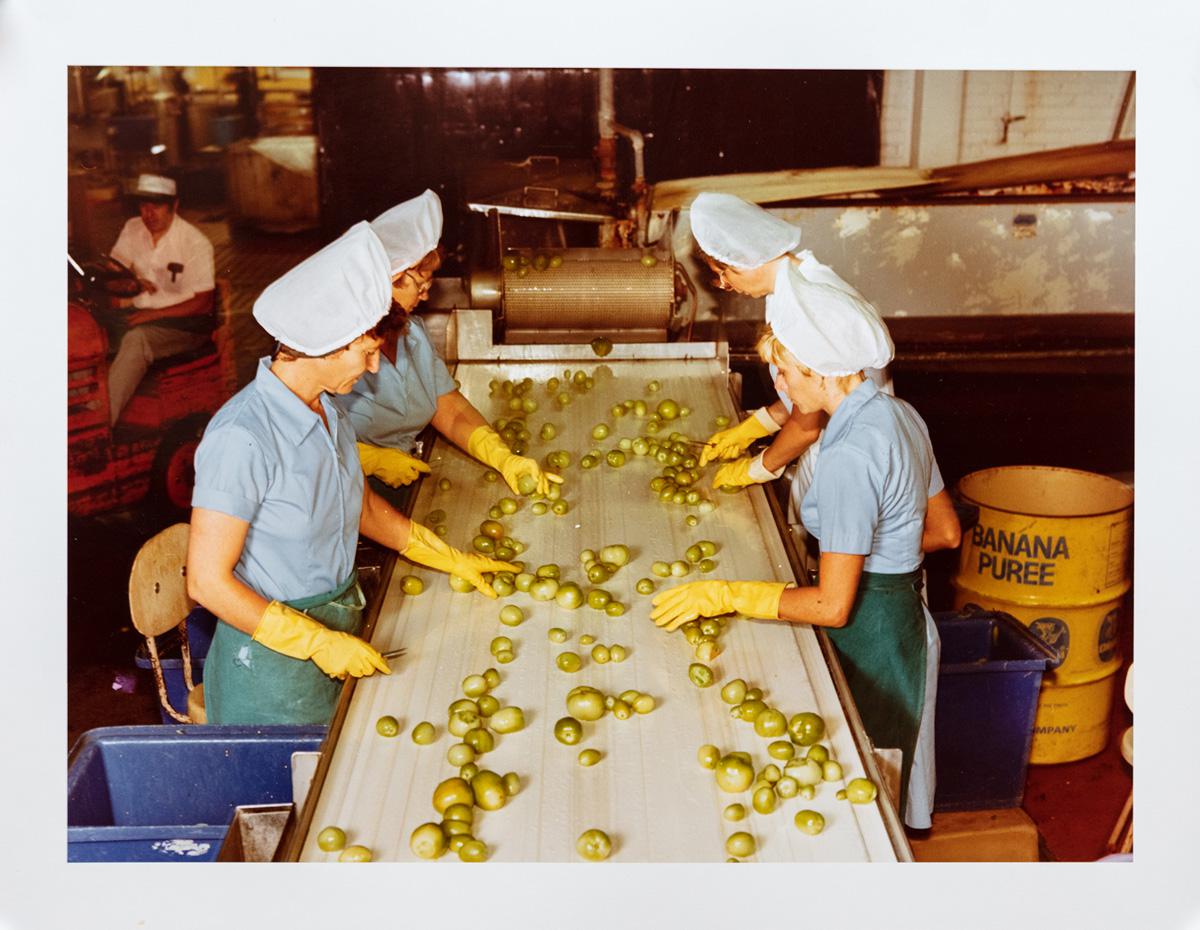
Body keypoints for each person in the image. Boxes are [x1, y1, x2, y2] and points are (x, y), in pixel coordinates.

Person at [649, 286, 961, 829]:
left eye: (786, 373)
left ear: (822, 371)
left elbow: (833, 606)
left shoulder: (847, 454)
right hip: (905, 624)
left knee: (864, 801)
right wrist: (873, 554)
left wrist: (727, 594)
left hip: (871, 636)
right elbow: (943, 529)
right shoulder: (899, 414)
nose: (780, 387)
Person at [185, 222, 517, 726]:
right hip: (270, 665)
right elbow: (207, 581)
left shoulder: (325, 409)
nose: (373, 369)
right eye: (364, 353)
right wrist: (312, 641)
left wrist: (447, 557)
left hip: (335, 622)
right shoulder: (242, 437)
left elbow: (359, 507)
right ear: (325, 346)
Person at [332, 189, 561, 499]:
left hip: (404, 483)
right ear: (391, 278)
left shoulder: (412, 334)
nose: (425, 295)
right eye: (421, 285)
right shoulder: (333, 344)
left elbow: (448, 409)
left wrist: (501, 456)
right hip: (345, 491)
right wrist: (368, 460)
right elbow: (299, 437)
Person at [689, 192, 893, 515]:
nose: (725, 285)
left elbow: (807, 424)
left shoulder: (800, 311)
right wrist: (754, 427)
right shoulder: (797, 277)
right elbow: (804, 393)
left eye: (725, 273)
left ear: (745, 261)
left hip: (850, 449)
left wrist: (753, 469)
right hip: (842, 432)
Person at [107, 173, 216, 425]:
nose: (148, 213)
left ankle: (102, 424)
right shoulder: (133, 228)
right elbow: (112, 274)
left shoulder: (194, 242)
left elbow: (203, 302)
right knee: (88, 333)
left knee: (137, 339)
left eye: (156, 206)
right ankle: (77, 413)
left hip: (185, 326)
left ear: (174, 205)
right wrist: (128, 284)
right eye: (143, 206)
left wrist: (153, 315)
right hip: (138, 315)